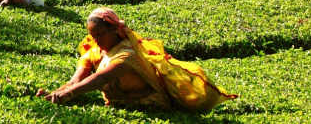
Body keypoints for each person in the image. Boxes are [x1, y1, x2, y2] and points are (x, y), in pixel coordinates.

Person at [36, 8, 237, 111]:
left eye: (100, 35)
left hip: (147, 104)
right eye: (92, 35)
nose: (96, 41)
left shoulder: (128, 54)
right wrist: (57, 93)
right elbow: (76, 79)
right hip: (117, 102)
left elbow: (100, 79)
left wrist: (68, 95)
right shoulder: (95, 51)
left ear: (115, 31)